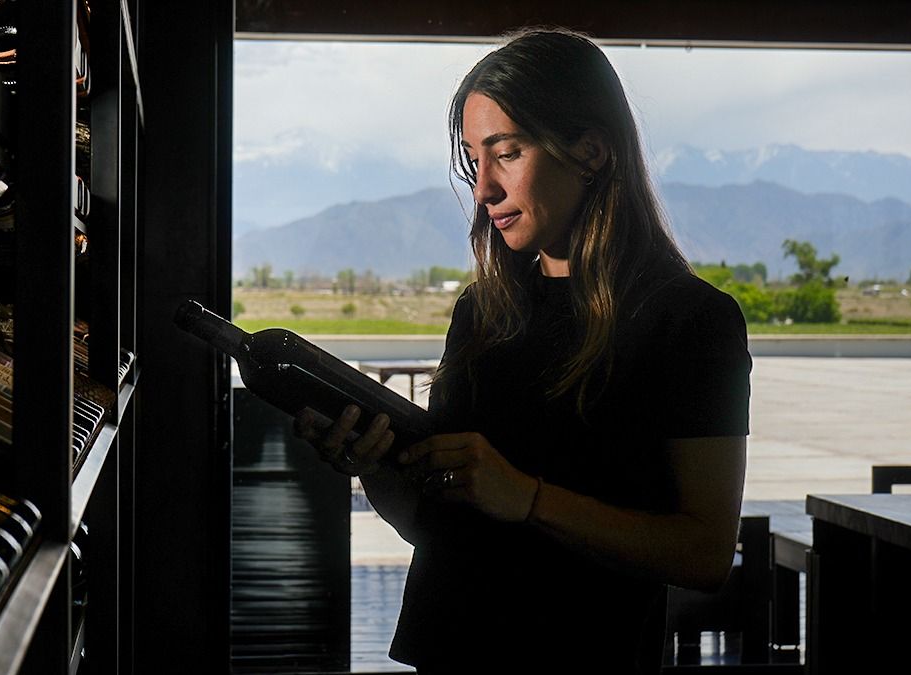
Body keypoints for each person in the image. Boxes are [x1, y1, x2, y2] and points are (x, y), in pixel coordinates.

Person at [295, 28, 751, 674]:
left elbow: (704, 553)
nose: (483, 189)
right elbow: (441, 527)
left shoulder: (693, 321)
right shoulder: (481, 313)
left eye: (504, 153)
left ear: (591, 150)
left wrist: (528, 497)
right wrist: (375, 467)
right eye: (471, 160)